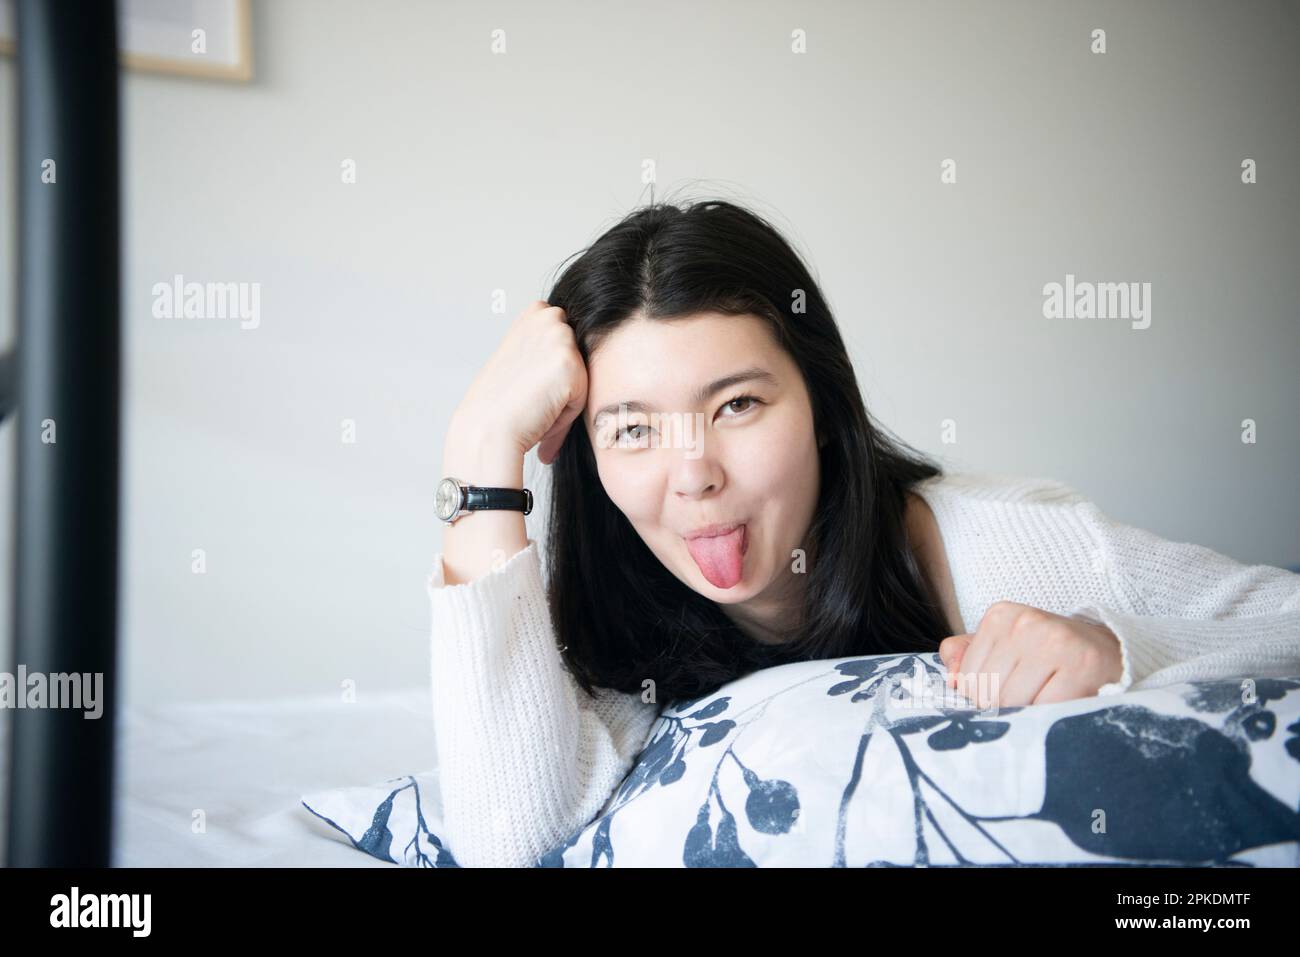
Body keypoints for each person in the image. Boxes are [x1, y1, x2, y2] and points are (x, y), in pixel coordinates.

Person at [429, 198, 1300, 868]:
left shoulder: (1003, 545)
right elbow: (508, 833)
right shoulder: (610, 624)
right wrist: (480, 453)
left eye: (738, 404)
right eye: (632, 428)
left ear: (820, 405)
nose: (693, 473)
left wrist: (1116, 651)